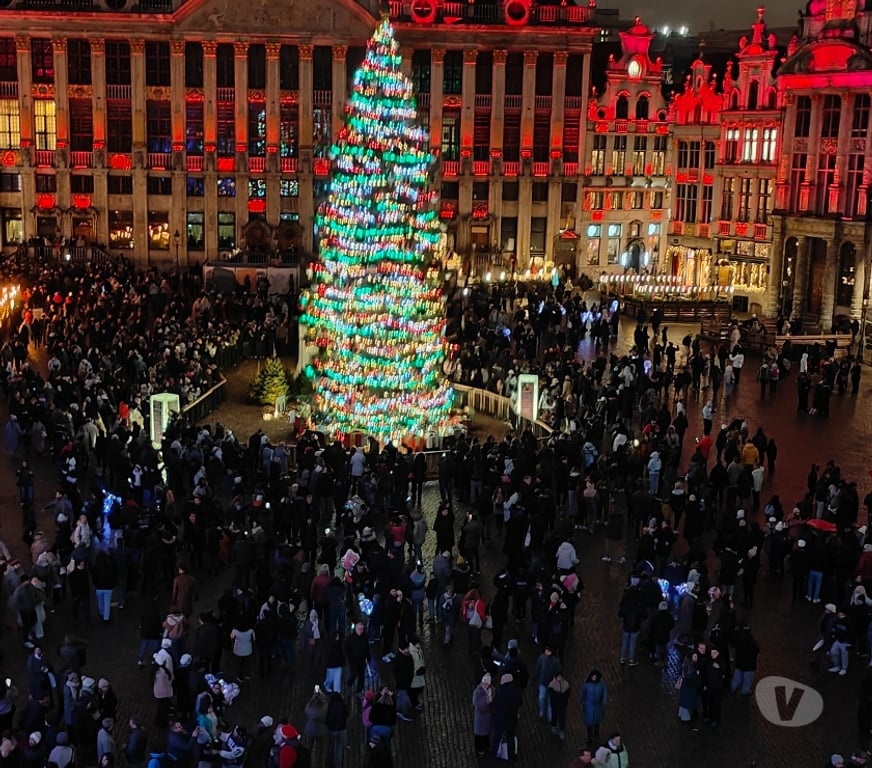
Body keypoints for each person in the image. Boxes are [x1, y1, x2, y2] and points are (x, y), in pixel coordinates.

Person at [579, 669, 608, 744]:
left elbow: (605, 693)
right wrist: (580, 700)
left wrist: (604, 702)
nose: (594, 678)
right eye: (593, 677)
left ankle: (596, 733)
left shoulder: (602, 684)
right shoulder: (587, 684)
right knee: (589, 722)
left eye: (595, 677)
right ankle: (589, 737)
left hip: (598, 706)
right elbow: (582, 692)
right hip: (589, 706)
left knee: (597, 721)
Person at [472, 673, 493, 757]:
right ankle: (479, 749)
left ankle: (485, 747)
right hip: (480, 717)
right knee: (479, 735)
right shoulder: (478, 692)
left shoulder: (490, 691)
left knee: (485, 734)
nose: (485, 685)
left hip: (486, 718)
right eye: (484, 682)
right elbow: (477, 704)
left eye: (487, 683)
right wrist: (487, 700)